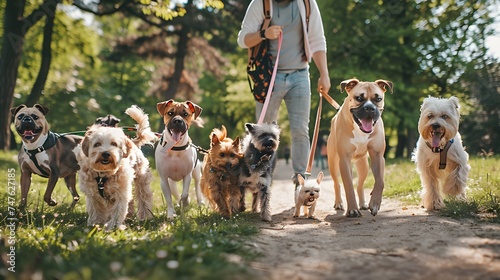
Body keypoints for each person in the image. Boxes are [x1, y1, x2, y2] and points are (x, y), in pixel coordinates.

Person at [237, 0, 330, 186]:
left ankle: (301, 182)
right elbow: (243, 40)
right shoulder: (261, 4)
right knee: (262, 132)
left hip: (300, 74)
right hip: (269, 77)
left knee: (300, 130)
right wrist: (264, 34)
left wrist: (324, 74)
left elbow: (317, 40)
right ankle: (260, 180)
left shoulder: (307, 3)